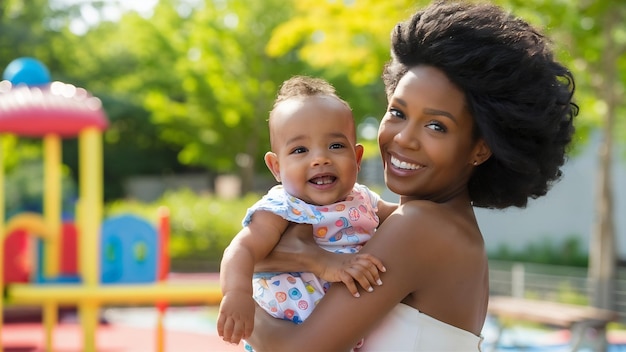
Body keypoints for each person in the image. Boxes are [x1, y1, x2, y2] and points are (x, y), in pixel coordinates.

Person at [244, 1, 578, 351]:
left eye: (436, 126)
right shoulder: (446, 227)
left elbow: (294, 349)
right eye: (397, 112)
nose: (403, 138)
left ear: (481, 148)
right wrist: (293, 256)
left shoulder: (419, 226)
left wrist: (238, 292)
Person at [217, 76, 397, 349]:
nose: (320, 158)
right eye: (300, 149)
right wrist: (236, 293)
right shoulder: (284, 208)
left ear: (357, 158)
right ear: (276, 167)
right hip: (288, 329)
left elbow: (404, 217)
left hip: (343, 330)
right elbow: (241, 249)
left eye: (336, 146)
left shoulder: (364, 200)